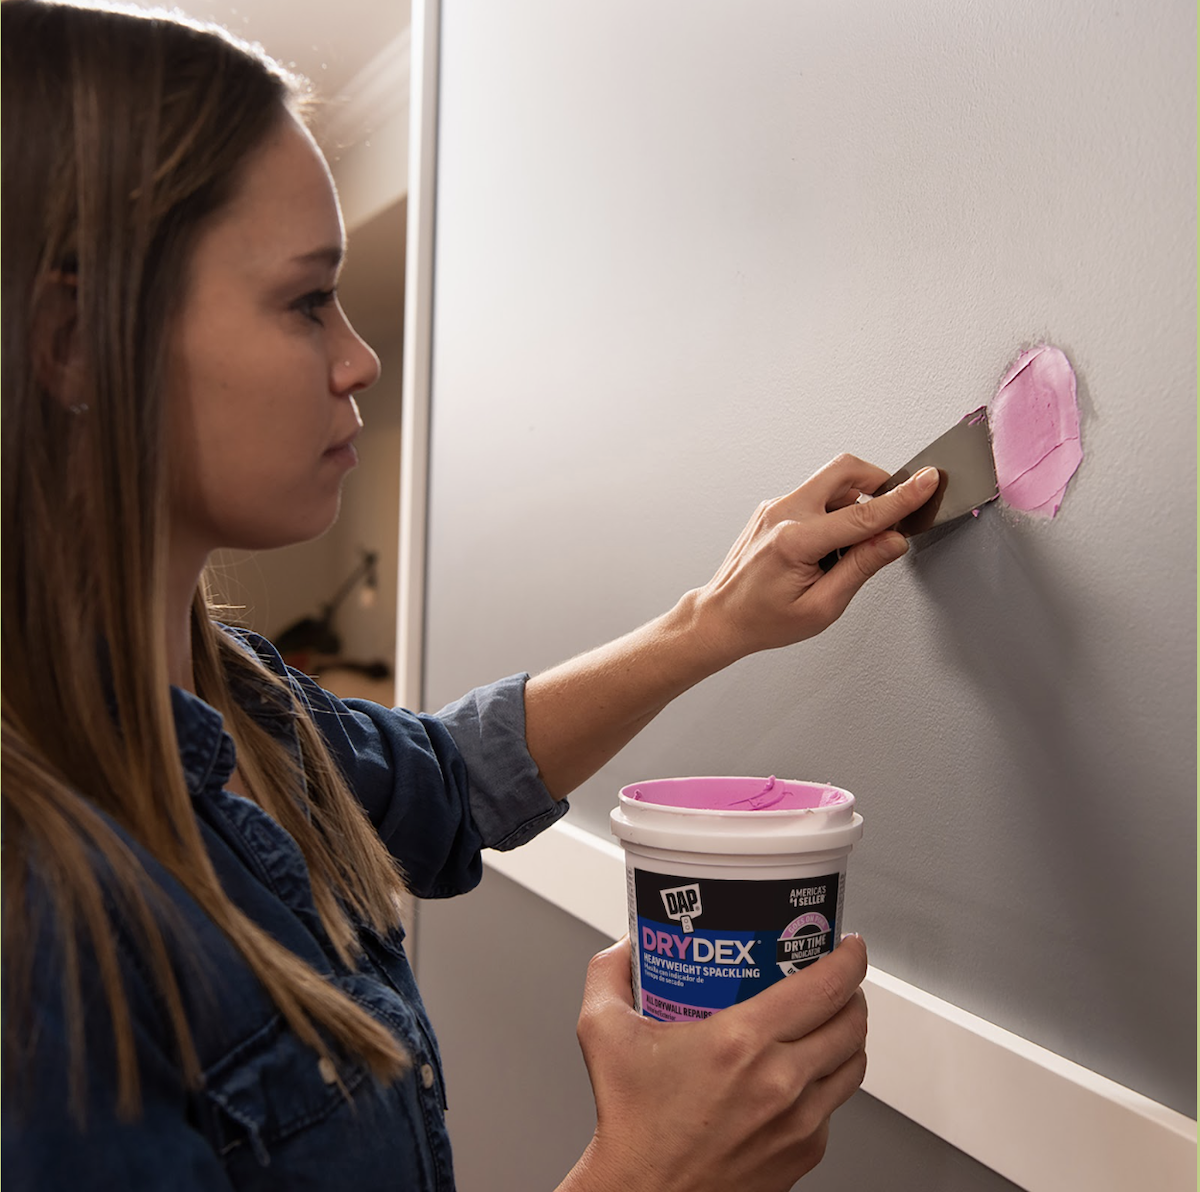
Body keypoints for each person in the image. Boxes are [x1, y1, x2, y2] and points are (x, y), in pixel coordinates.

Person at [0, 3, 940, 1189]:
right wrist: (647, 1173)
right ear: (75, 344)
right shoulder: (34, 930)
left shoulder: (240, 699)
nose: (361, 358)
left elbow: (442, 782)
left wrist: (717, 619)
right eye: (306, 302)